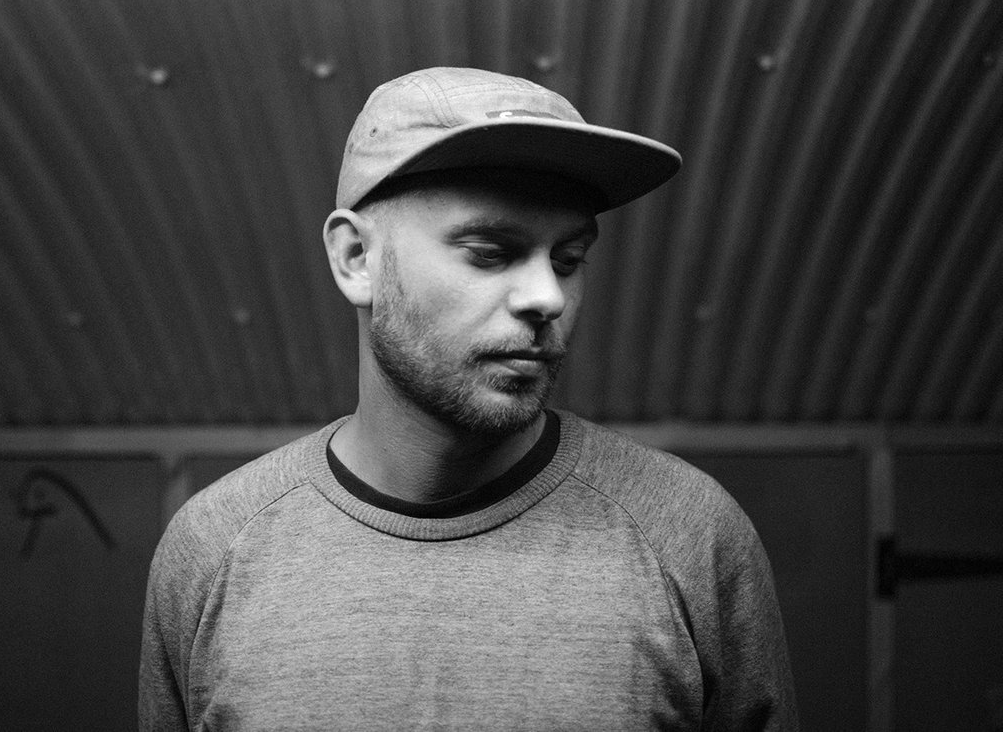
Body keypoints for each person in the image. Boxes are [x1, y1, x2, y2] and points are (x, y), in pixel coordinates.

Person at [139, 67, 798, 731]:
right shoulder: (215, 548)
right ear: (356, 259)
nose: (547, 297)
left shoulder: (689, 536)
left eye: (568, 259)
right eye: (490, 252)